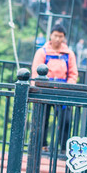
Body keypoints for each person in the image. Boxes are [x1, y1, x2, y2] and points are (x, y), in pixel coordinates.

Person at [31, 24, 77, 152]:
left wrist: (69, 87)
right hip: (45, 88)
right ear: (51, 35)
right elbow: (35, 71)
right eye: (55, 36)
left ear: (64, 38)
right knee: (42, 118)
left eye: (60, 36)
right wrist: (37, 87)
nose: (57, 39)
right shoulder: (42, 52)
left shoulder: (69, 54)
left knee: (65, 119)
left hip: (62, 90)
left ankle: (63, 147)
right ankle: (41, 145)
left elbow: (73, 73)